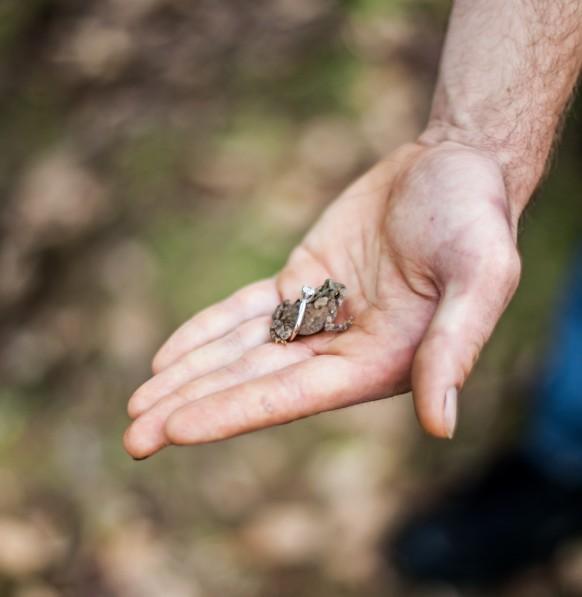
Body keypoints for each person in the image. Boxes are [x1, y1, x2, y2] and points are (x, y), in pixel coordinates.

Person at [123, 0, 582, 583]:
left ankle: (559, 474)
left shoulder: (329, 308)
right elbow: (302, 316)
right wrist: (477, 141)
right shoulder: (317, 308)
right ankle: (561, 456)